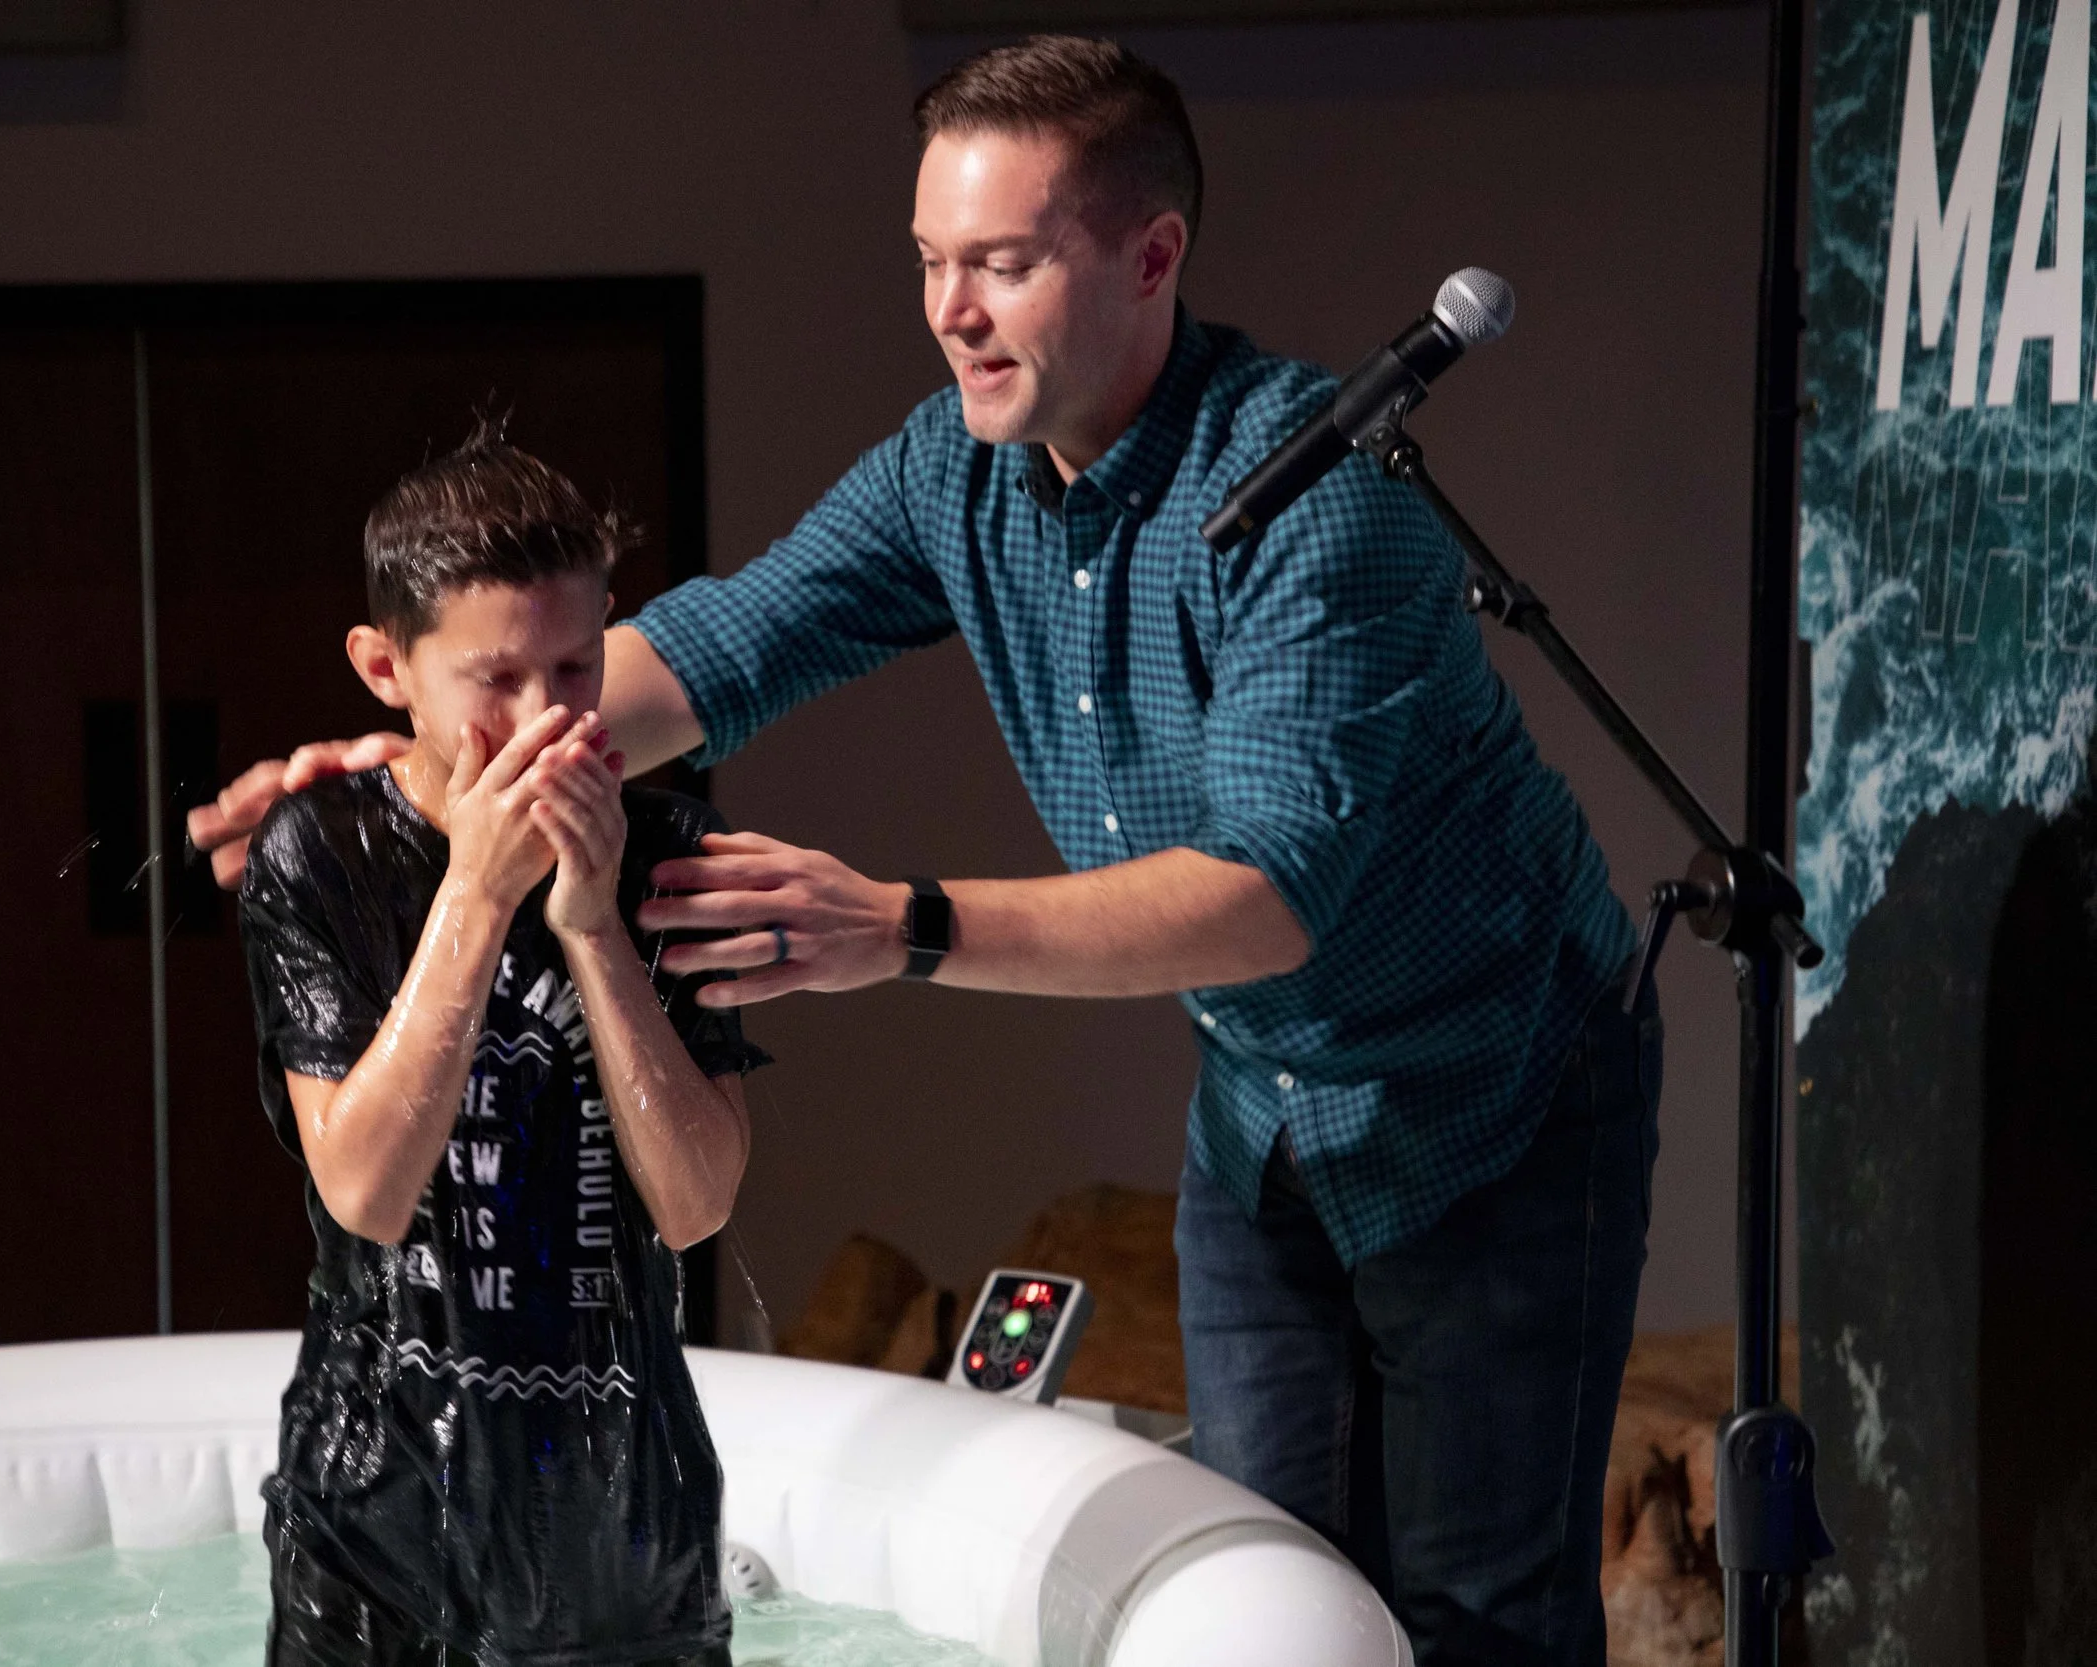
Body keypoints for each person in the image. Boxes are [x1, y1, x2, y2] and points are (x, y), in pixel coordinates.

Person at [199, 37, 1657, 1667]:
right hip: (1262, 1113)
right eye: (930, 261)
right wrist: (422, 762)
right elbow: (714, 651)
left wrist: (901, 922)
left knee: (1476, 1614)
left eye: (1003, 263)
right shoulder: (953, 469)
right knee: (1266, 1583)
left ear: (1152, 257)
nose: (951, 310)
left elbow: (1268, 896)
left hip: (1495, 1090)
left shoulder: (1318, 500)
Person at [237, 422, 764, 1667]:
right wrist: (476, 893)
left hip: (623, 1520)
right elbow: (365, 1191)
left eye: (575, 668)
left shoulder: (670, 852)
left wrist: (592, 925)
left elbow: (696, 1203)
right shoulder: (319, 854)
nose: (544, 721)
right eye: (495, 678)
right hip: (373, 1514)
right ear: (386, 668)